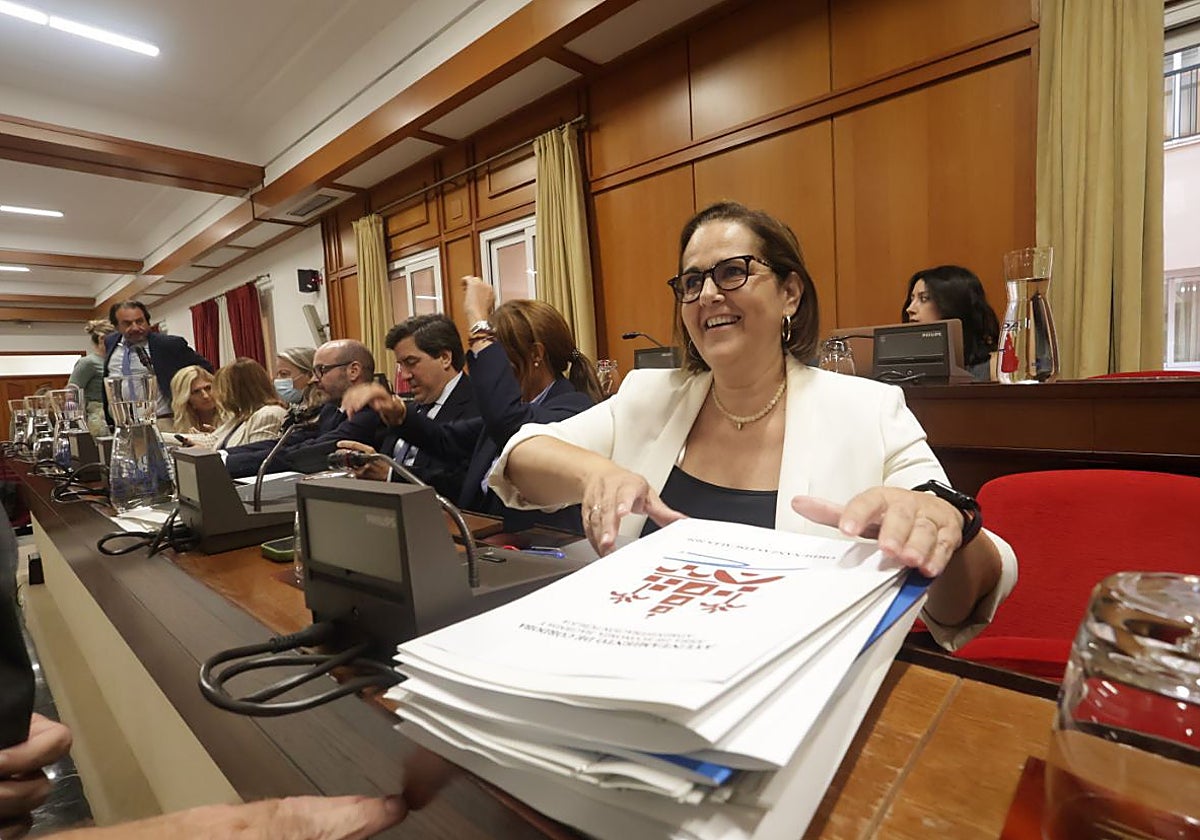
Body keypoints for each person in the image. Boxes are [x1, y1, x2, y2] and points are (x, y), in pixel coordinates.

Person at [490, 202, 1017, 651]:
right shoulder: (647, 395)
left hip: (798, 689)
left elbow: (962, 600)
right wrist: (594, 474)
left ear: (790, 293)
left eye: (732, 272)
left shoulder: (869, 410)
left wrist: (952, 527)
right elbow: (519, 459)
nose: (707, 296)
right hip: (642, 658)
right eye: (692, 282)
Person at [340, 277, 601, 534]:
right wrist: (399, 415)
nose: (492, 369)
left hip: (539, 549)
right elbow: (444, 439)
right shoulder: (514, 408)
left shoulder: (572, 408)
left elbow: (510, 425)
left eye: (498, 356)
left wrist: (477, 318)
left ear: (535, 355)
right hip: (478, 536)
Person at [353, 315, 480, 500]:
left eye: (411, 363)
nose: (404, 375)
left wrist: (391, 475)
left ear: (445, 358)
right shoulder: (407, 410)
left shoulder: (479, 408)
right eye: (400, 366)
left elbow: (464, 485)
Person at [223, 340, 383, 479]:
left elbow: (310, 453)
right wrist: (224, 455)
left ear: (353, 371)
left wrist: (229, 464)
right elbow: (290, 441)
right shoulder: (330, 409)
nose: (313, 379)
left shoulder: (372, 411)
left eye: (322, 370)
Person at [101, 301, 213, 431]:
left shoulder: (169, 345)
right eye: (127, 324)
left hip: (163, 421)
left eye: (140, 321)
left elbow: (205, 371)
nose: (136, 327)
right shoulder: (111, 342)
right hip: (123, 424)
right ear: (116, 327)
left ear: (148, 321)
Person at [902, 265, 1000, 381]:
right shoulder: (901, 368)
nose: (910, 309)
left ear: (952, 306)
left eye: (924, 298)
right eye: (912, 299)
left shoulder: (995, 366)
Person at [178, 358, 288, 450]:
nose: (216, 395)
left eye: (222, 389)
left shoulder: (269, 414)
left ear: (239, 391)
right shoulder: (240, 417)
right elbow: (211, 440)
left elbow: (254, 458)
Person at [68, 320, 115, 437]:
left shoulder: (114, 361)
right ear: (102, 339)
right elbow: (72, 392)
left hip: (115, 411)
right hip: (98, 416)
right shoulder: (88, 362)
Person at [169, 365, 221, 434]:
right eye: (196, 392)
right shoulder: (181, 424)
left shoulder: (232, 418)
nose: (205, 396)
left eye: (208, 388)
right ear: (186, 398)